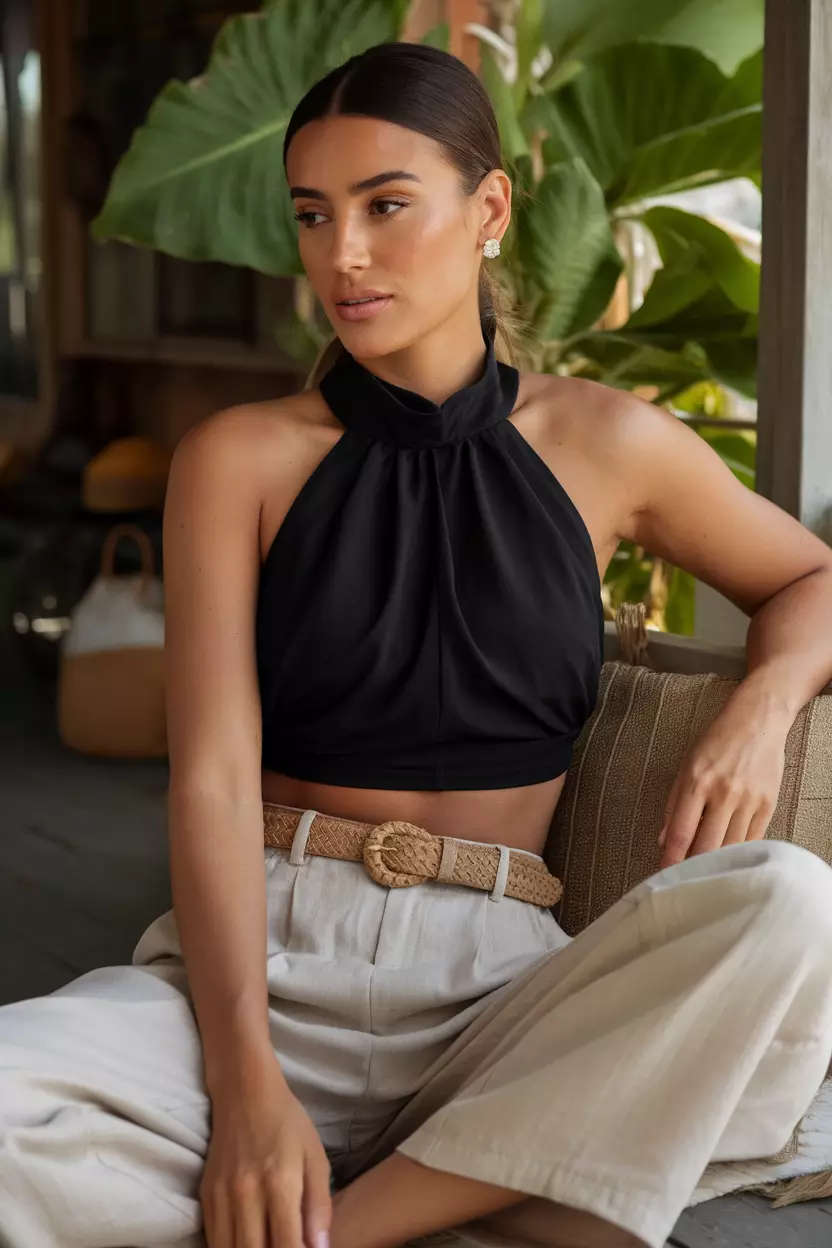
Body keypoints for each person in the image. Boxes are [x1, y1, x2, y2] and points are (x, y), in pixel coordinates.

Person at [2, 40, 832, 1248]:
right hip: (267, 963)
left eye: (387, 205)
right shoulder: (237, 459)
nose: (343, 254)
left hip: (503, 988)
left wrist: (761, 708)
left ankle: (337, 1223)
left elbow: (809, 576)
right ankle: (476, 1194)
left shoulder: (607, 444)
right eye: (312, 214)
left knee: (787, 905)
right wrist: (245, 1095)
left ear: (488, 208)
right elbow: (215, 781)